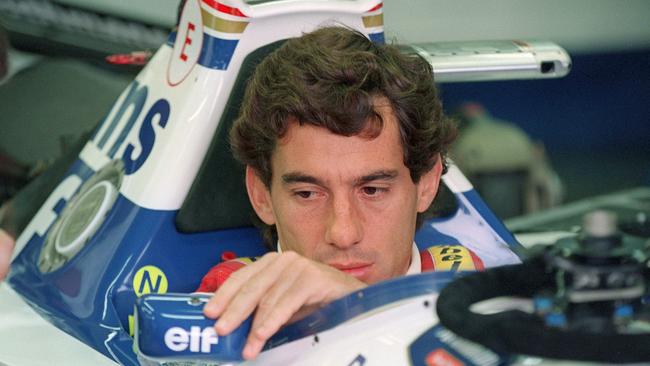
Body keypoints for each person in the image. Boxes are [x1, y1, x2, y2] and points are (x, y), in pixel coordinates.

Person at [199, 26, 458, 360]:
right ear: (261, 194)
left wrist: (360, 308)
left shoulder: (479, 289)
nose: (343, 233)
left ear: (427, 183)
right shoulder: (226, 309)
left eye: (372, 190)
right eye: (307, 194)